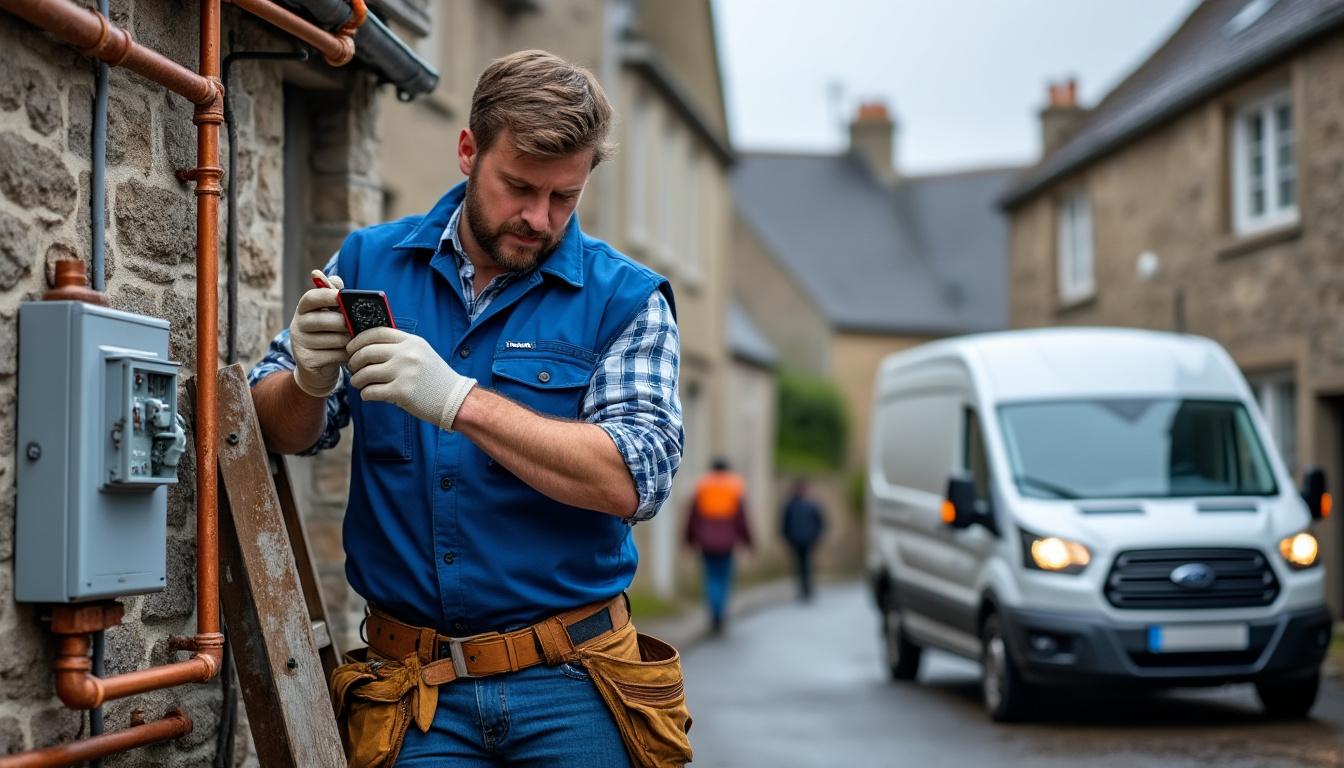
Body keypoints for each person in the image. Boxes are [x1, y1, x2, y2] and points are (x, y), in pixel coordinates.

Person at [248, 50, 689, 767]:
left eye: (563, 198)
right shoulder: (367, 263)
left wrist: (458, 401)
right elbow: (279, 432)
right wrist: (309, 376)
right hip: (413, 693)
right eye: (519, 186)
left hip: (574, 685)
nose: (538, 217)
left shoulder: (626, 299)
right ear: (467, 151)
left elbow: (632, 479)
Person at [683, 458, 753, 635]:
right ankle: (720, 612)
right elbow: (742, 518)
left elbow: (693, 516)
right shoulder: (735, 486)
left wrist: (689, 539)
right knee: (724, 578)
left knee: (710, 577)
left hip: (706, 542)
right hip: (727, 542)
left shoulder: (702, 486)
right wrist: (749, 541)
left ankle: (714, 613)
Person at [780, 479, 825, 601]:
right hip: (798, 540)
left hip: (805, 539)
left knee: (804, 564)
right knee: (801, 564)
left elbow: (820, 522)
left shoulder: (809, 504)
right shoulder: (794, 505)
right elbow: (784, 523)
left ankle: (806, 587)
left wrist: (816, 536)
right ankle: (804, 587)